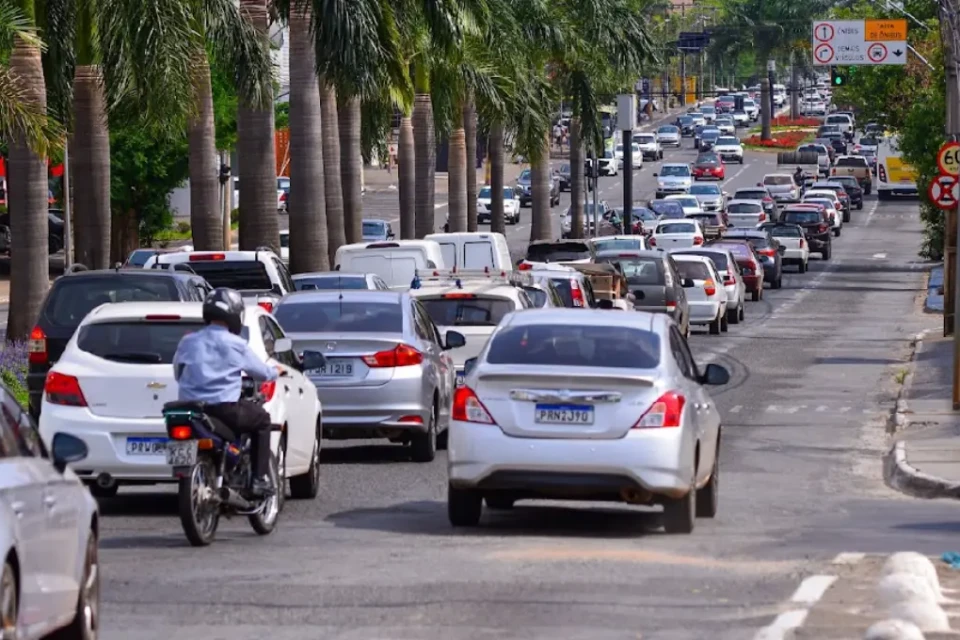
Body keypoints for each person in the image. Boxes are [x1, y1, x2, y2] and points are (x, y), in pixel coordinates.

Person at [172, 288, 280, 497]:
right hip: (223, 410)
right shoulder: (236, 344)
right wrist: (276, 371)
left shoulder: (187, 341)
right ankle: (258, 480)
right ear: (233, 315)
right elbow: (262, 372)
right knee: (263, 421)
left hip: (189, 409)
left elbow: (178, 373)